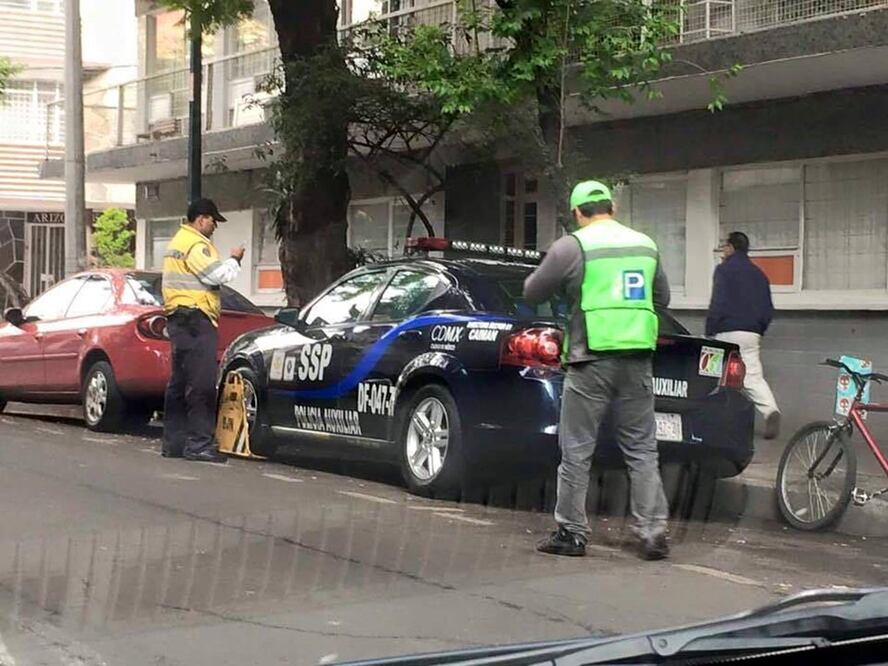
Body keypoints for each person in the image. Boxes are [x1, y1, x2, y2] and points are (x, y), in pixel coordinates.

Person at [524, 180, 670, 561]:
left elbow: (532, 292)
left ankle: (572, 533)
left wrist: (569, 288)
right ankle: (653, 532)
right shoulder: (645, 245)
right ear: (612, 208)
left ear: (577, 213)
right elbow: (662, 298)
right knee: (642, 449)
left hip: (590, 358)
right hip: (637, 357)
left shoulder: (572, 246)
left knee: (576, 449)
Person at [161, 198, 245, 463]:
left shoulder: (177, 242)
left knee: (179, 382)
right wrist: (235, 259)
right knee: (201, 383)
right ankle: (199, 444)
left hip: (178, 318)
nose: (214, 227)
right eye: (213, 221)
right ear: (201, 219)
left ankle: (173, 444)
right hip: (196, 318)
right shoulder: (196, 244)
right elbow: (216, 275)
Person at [706, 231, 780, 439]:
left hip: (726, 331)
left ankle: (716, 421)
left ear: (731, 247)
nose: (723, 250)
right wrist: (758, 329)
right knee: (752, 376)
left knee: (716, 374)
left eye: (725, 246)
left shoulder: (723, 270)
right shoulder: (759, 274)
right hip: (751, 333)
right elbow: (768, 309)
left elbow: (718, 302)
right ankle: (770, 411)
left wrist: (710, 329)